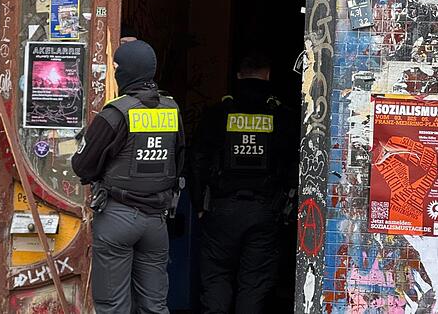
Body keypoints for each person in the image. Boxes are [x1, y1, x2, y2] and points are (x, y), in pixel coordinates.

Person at [72, 40, 186, 314]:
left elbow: (83, 166)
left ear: (124, 73)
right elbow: (179, 160)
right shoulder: (172, 110)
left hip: (118, 217)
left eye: (117, 68)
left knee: (113, 306)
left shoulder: (116, 112)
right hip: (156, 222)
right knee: (154, 305)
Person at [190, 51, 297, 313]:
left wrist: (198, 205)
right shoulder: (282, 116)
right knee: (254, 285)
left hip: (220, 209)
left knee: (216, 280)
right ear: (268, 75)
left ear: (238, 75)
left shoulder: (217, 114)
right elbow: (296, 162)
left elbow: (196, 160)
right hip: (265, 211)